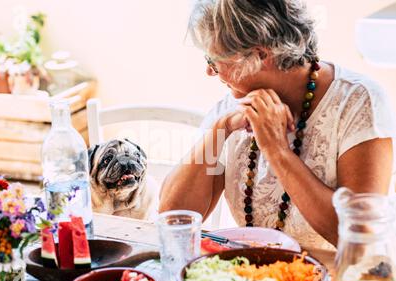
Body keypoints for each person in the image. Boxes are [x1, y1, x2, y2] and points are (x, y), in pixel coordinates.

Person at [159, 0, 396, 250]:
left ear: (261, 54)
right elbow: (172, 219)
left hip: (335, 279)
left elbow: (360, 235)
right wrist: (221, 129)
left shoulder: (357, 101)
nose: (209, 71)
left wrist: (277, 151)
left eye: (213, 59)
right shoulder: (234, 102)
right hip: (248, 278)